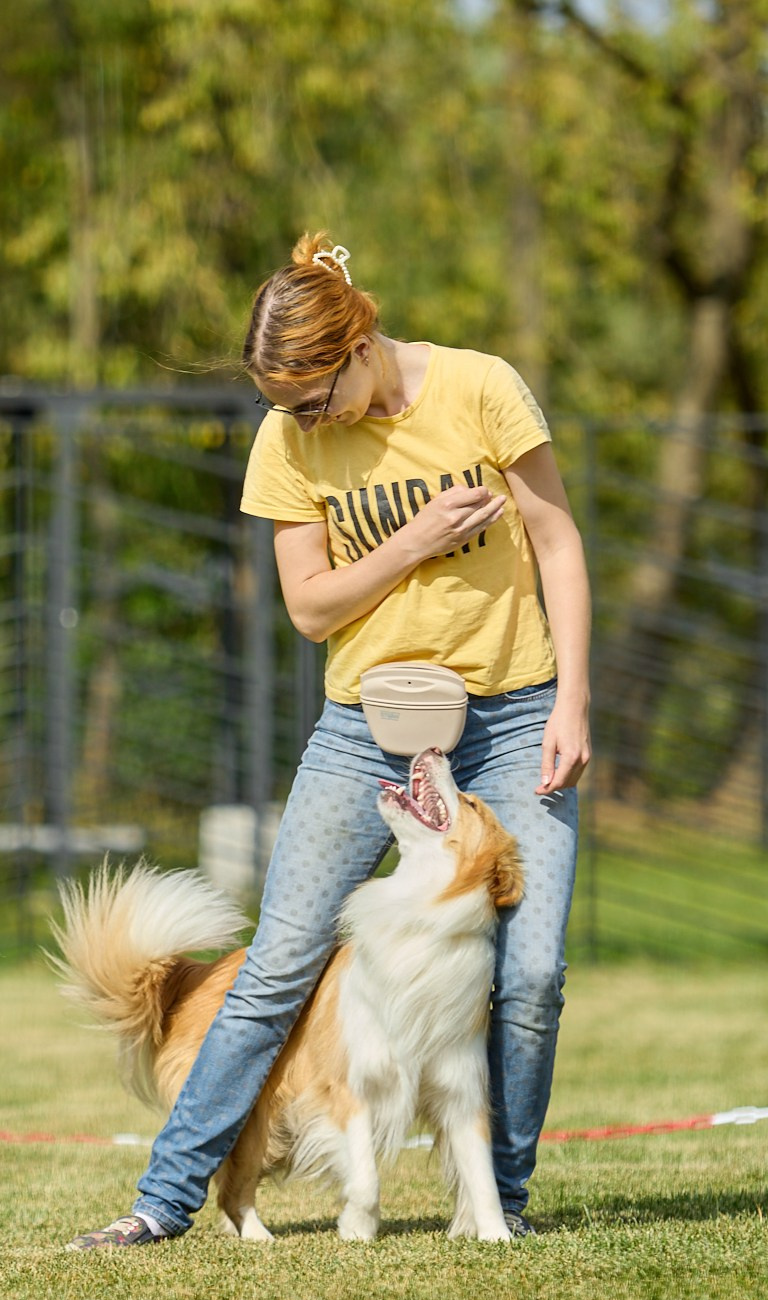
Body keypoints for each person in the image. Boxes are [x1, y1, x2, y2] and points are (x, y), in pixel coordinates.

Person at [68, 232, 591, 1248]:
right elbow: (310, 608)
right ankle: (162, 1202)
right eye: (287, 406)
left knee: (530, 978)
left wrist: (574, 698)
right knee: (276, 965)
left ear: (359, 341)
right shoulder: (288, 441)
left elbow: (559, 540)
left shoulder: (482, 391)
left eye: (315, 396)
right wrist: (414, 542)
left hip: (515, 713)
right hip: (369, 730)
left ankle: (500, 1205)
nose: (305, 419)